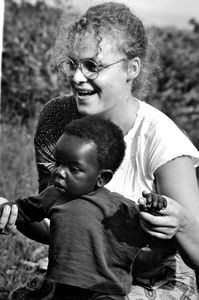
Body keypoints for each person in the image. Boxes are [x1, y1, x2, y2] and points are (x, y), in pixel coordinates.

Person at [1, 1, 199, 299]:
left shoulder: (162, 141)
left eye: (93, 66)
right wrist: (13, 215)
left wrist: (180, 224)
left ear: (132, 69)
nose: (77, 77)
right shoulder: (56, 119)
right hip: (83, 278)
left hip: (153, 283)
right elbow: (57, 224)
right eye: (73, 63)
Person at [1, 116, 169, 300]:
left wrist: (155, 206)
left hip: (104, 292)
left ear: (102, 178)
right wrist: (5, 210)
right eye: (58, 163)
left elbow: (157, 237)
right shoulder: (53, 195)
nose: (59, 172)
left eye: (73, 169)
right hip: (59, 286)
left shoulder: (120, 208)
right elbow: (21, 211)